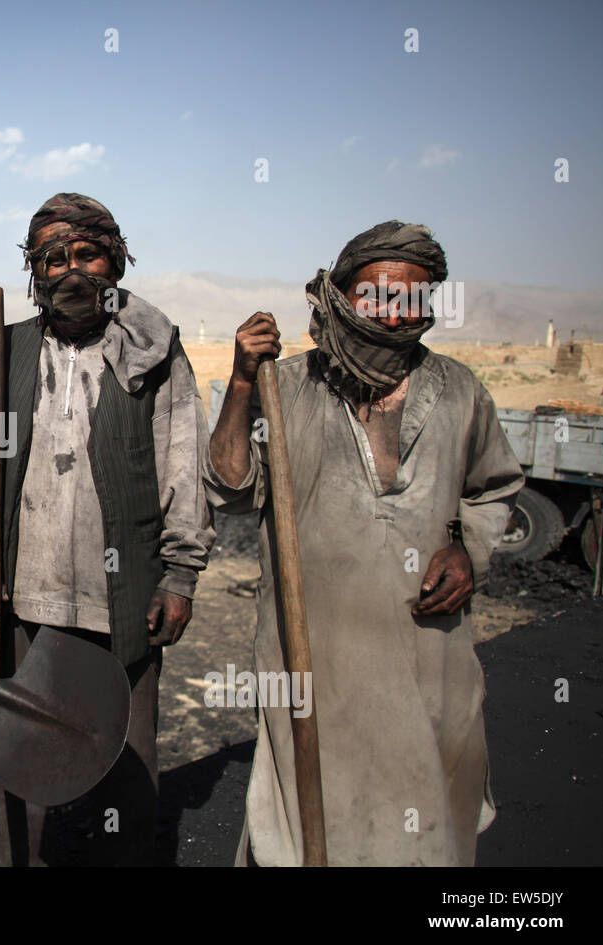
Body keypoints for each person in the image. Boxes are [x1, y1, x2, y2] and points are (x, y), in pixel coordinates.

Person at [204, 221, 524, 866]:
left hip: (429, 649)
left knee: (427, 806)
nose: (392, 312)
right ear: (341, 295)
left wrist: (467, 547)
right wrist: (241, 383)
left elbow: (493, 490)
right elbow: (230, 486)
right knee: (302, 816)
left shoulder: (460, 390)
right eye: (376, 294)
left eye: (412, 297)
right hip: (311, 648)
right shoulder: (285, 385)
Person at [0, 192, 215, 865]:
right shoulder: (6, 351)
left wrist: (180, 573)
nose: (72, 270)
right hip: (24, 596)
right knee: (21, 763)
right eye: (53, 258)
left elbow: (183, 465)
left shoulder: (154, 353)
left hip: (120, 600)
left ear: (116, 260)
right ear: (34, 272)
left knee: (125, 774)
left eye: (87, 253)